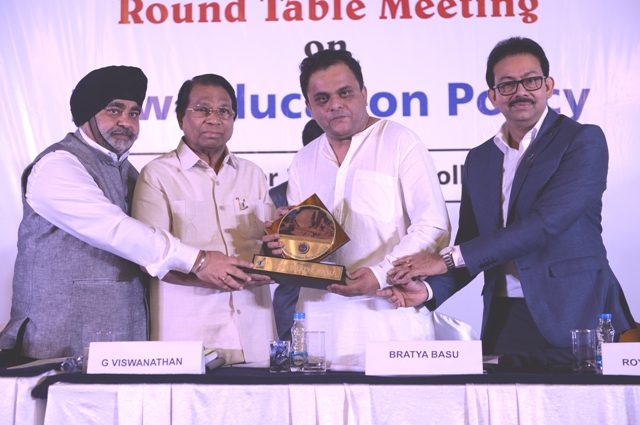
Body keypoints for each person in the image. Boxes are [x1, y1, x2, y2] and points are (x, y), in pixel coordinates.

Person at [381, 37, 636, 364]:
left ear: (548, 86)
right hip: (504, 318)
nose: (520, 92)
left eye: (531, 80)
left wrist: (444, 259)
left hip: (578, 312)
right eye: (507, 84)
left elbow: (545, 225)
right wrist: (430, 291)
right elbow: (473, 242)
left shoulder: (583, 140)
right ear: (493, 96)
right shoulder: (479, 159)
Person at [0, 66, 263, 363]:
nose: (126, 122)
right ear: (87, 113)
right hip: (56, 341)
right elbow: (115, 230)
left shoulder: (128, 173)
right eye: (114, 111)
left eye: (134, 113)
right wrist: (201, 261)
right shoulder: (57, 165)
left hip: (122, 345)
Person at [265, 49, 475, 372]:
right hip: (319, 327)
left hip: (390, 321)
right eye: (322, 98)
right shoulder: (303, 160)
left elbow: (433, 227)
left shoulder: (401, 142)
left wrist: (379, 274)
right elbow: (302, 249)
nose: (335, 104)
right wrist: (283, 246)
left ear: (364, 93)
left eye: (345, 93)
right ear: (308, 107)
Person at [132, 74, 277, 367]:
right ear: (180, 118)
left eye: (224, 111)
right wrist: (208, 273)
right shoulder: (157, 175)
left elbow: (269, 246)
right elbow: (148, 259)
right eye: (202, 109)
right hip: (189, 335)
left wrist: (282, 253)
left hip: (256, 334)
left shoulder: (252, 174)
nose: (214, 119)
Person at [270, 119, 324, 341]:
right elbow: (266, 254)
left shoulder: (356, 188)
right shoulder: (278, 196)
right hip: (291, 306)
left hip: (349, 299)